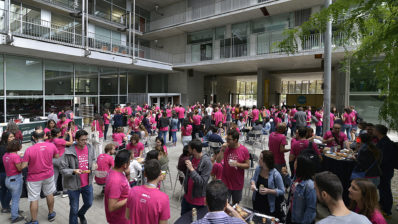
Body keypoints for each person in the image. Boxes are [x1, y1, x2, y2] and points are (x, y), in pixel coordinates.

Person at [21, 130, 59, 224]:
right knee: (49, 193)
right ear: (44, 136)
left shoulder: (29, 149)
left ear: (33, 138)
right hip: (48, 175)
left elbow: (23, 166)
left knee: (34, 199)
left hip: (34, 178)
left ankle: (34, 221)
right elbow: (57, 156)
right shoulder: (51, 145)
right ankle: (51, 214)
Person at [60, 130, 96, 224]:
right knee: (74, 209)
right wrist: (73, 171)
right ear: (76, 140)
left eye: (86, 139)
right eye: (82, 140)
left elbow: (93, 159)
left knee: (89, 203)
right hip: (73, 185)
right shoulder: (68, 151)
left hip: (87, 183)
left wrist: (95, 165)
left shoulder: (90, 147)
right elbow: (62, 169)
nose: (85, 142)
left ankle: (81, 214)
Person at [126, 159, 170, 224]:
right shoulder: (163, 198)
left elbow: (127, 216)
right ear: (160, 173)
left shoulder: (133, 191)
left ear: (145, 174)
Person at [282, 153, 316, 224]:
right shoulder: (297, 177)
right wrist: (286, 175)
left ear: (301, 166)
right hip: (291, 214)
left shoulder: (310, 186)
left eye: (296, 162)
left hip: (300, 220)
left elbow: (311, 210)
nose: (294, 163)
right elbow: (293, 186)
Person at [181, 139, 212, 215]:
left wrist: (191, 169)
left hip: (197, 200)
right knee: (183, 217)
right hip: (187, 196)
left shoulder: (207, 162)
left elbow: (202, 182)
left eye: (189, 148)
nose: (188, 150)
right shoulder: (192, 158)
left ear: (194, 150)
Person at [250, 150, 284, 217]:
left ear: (267, 161)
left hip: (268, 204)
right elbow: (253, 179)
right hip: (256, 200)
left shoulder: (276, 175)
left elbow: (282, 191)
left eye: (261, 158)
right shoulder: (258, 169)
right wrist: (253, 184)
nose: (259, 160)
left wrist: (268, 191)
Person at [221, 129, 250, 205]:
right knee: (224, 204)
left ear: (235, 140)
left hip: (237, 183)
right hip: (225, 182)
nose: (227, 141)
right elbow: (217, 161)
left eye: (229, 139)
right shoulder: (226, 148)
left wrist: (237, 164)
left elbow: (247, 165)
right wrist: (222, 150)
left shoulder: (244, 150)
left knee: (235, 205)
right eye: (226, 139)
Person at [374, 124, 397, 216]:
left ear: (378, 132)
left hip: (385, 170)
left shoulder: (385, 143)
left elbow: (384, 158)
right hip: (384, 169)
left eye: (375, 130)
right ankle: (382, 205)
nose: (374, 131)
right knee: (382, 188)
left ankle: (387, 209)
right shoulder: (383, 141)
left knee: (385, 189)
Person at [104, 150, 131, 224]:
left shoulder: (115, 171)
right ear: (125, 165)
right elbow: (111, 207)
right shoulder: (116, 181)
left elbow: (124, 186)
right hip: (119, 219)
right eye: (129, 162)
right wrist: (130, 198)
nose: (130, 164)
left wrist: (127, 174)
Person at [3, 140, 24, 222]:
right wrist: (24, 162)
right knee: (16, 199)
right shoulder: (15, 156)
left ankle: (15, 210)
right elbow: (19, 168)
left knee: (14, 197)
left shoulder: (5, 155)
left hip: (8, 179)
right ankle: (14, 216)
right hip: (15, 179)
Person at [49, 128, 73, 195]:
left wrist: (65, 136)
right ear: (57, 134)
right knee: (64, 175)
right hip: (61, 159)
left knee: (55, 176)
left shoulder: (52, 140)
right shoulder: (59, 141)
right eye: (60, 132)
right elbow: (70, 143)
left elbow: (61, 141)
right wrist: (70, 135)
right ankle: (65, 191)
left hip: (53, 160)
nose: (61, 133)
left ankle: (54, 191)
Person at [0, 132, 13, 213]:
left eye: (13, 136)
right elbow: (1, 161)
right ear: (6, 138)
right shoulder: (3, 148)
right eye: (11, 137)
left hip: (5, 171)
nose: (13, 138)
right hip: (3, 172)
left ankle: (5, 206)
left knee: (4, 189)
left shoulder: (8, 146)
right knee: (8, 190)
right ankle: (5, 206)